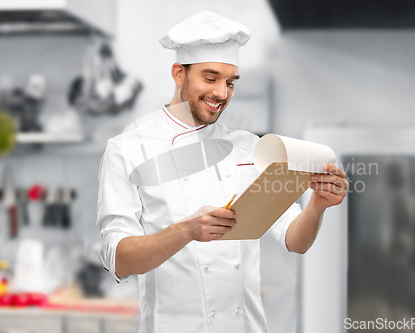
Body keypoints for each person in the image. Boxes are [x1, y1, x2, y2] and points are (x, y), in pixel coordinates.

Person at [97, 11, 348, 333]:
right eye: (210, 78)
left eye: (230, 82)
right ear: (178, 74)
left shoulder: (248, 147)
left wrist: (317, 205)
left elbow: (294, 239)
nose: (222, 93)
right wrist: (185, 231)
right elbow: (116, 258)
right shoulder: (128, 149)